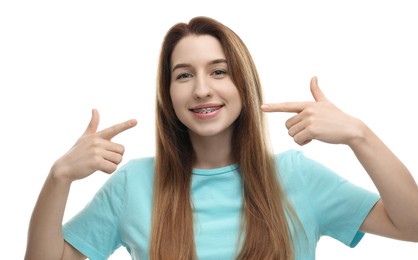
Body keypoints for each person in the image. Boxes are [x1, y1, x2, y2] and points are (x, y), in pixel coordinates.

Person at [25, 16, 418, 260]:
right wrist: (59, 177)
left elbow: (412, 227)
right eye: (183, 75)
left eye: (218, 72)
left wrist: (360, 136)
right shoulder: (134, 184)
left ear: (243, 85)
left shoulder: (296, 176)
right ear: (168, 95)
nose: (201, 90)